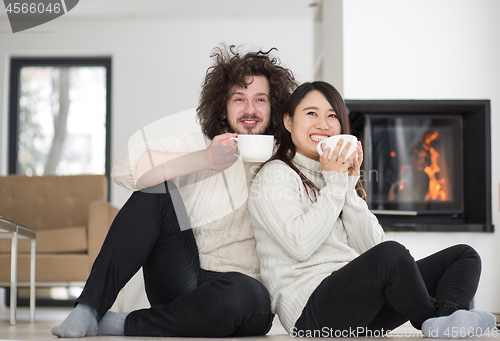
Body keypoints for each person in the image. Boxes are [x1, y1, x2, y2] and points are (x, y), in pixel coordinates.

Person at [52, 45, 297, 338]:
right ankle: (89, 309)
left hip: (243, 296)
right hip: (183, 279)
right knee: (156, 189)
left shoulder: (287, 160)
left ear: (274, 108)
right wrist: (204, 159)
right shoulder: (201, 144)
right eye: (239, 99)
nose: (250, 110)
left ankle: (121, 324)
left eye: (260, 99)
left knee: (246, 292)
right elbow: (126, 168)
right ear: (223, 107)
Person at [248, 81, 495, 338]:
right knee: (392, 254)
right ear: (288, 122)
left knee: (463, 256)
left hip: (361, 308)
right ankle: (431, 319)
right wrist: (336, 184)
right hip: (310, 315)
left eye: (332, 115)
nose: (323, 124)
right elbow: (300, 245)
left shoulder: (335, 176)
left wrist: (349, 187)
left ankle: (446, 321)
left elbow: (372, 249)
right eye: (311, 113)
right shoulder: (274, 175)